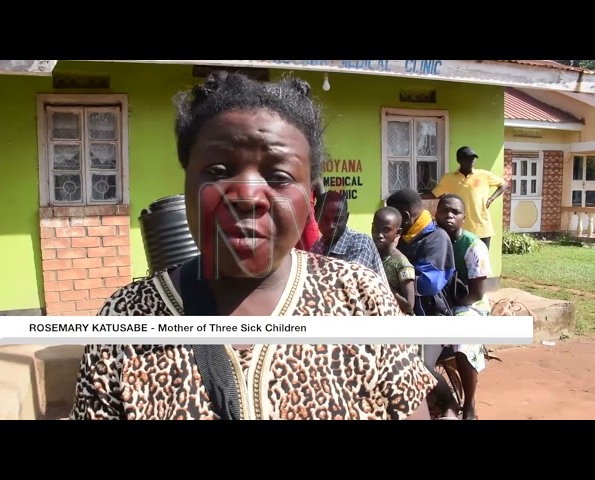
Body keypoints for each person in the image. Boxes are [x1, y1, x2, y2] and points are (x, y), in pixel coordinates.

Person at [68, 71, 436, 420]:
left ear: (309, 199)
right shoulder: (127, 319)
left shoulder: (358, 298)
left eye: (278, 177)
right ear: (186, 187)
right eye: (217, 172)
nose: (246, 196)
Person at [385, 188, 459, 419]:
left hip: (432, 317)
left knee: (418, 363)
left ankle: (450, 404)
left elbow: (429, 284)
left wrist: (396, 280)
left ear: (406, 217)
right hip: (404, 316)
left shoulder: (437, 238)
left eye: (396, 219)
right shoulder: (407, 238)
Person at [435, 193, 491, 420]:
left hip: (467, 306)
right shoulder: (432, 239)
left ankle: (468, 405)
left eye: (455, 212)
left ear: (463, 218)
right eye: (444, 211)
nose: (449, 215)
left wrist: (449, 308)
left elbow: (477, 293)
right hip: (441, 303)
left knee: (462, 337)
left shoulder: (473, 247)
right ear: (435, 214)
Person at [425, 146, 508, 250]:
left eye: (473, 158)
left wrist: (491, 198)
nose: (471, 161)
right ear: (459, 160)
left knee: (481, 262)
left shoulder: (484, 175)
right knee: (457, 261)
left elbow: (503, 184)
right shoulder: (449, 178)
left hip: (481, 229)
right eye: (468, 158)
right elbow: (434, 194)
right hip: (458, 229)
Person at [312, 190, 387, 283]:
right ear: (316, 217)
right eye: (325, 219)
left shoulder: (361, 243)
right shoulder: (319, 245)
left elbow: (349, 284)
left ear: (347, 218)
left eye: (338, 219)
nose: (331, 225)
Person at [371, 206, 415, 315]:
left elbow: (409, 305)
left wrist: (383, 285)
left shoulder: (402, 263)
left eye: (386, 230)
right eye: (376, 228)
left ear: (398, 232)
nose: (379, 235)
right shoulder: (369, 254)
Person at [295, 177, 323, 251]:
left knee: (313, 257)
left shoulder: (311, 171)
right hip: (286, 222)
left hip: (307, 224)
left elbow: (323, 201)